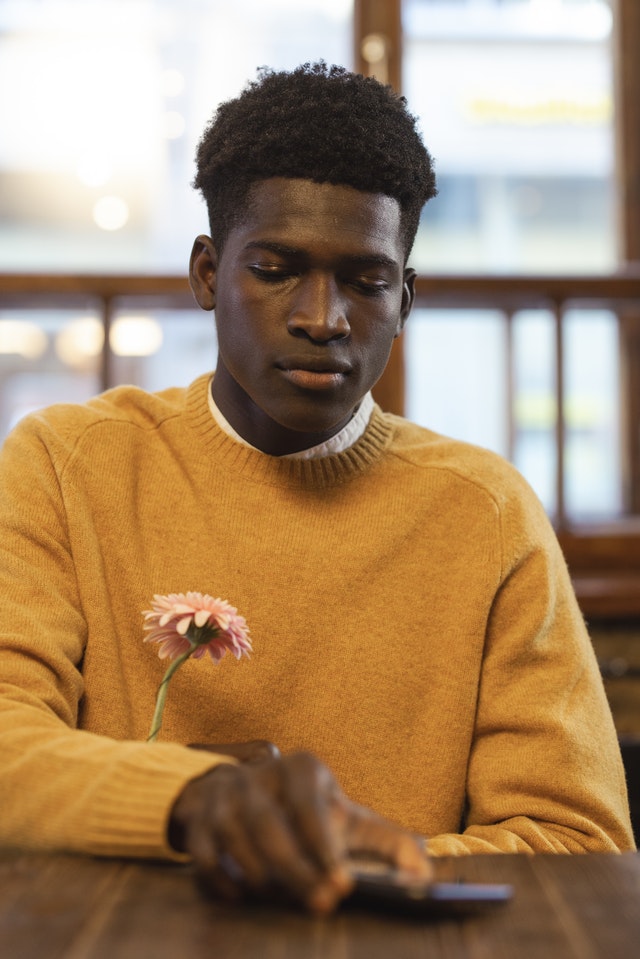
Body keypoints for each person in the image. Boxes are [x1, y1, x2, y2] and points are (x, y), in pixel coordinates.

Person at [0, 62, 634, 914]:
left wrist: (337, 860)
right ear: (205, 274)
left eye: (366, 281)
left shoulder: (486, 513)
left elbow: (577, 841)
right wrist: (195, 800)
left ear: (405, 300)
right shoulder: (66, 463)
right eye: (276, 268)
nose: (322, 316)